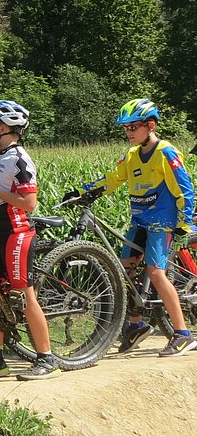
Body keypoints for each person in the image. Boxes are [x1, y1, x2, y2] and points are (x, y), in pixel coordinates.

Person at [69, 99, 196, 357]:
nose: (128, 132)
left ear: (150, 125)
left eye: (133, 127)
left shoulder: (166, 153)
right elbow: (113, 178)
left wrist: (183, 222)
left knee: (156, 273)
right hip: (139, 221)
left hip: (162, 223)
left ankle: (183, 334)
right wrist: (83, 191)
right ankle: (136, 325)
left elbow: (185, 189)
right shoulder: (131, 155)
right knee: (124, 269)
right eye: (125, 128)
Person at [0, 100, 60, 380]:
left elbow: (29, 202)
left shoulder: (19, 158)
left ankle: (47, 358)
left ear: (3, 128)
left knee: (23, 295)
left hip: (16, 234)